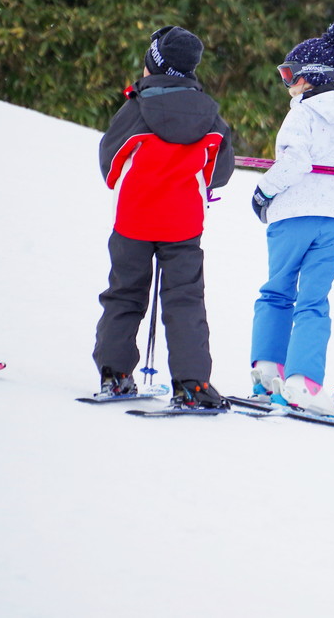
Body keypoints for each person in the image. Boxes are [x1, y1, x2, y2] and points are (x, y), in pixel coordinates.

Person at [94, 26, 235, 408]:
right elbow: (219, 172)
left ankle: (116, 375)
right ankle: (192, 384)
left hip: (133, 220)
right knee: (186, 299)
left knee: (124, 293)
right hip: (183, 224)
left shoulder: (135, 109)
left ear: (153, 64)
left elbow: (111, 161)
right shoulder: (211, 118)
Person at [247, 22, 334, 417]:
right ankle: (303, 382)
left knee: (277, 291)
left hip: (292, 215)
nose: (287, 83)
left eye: (289, 75)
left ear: (309, 78)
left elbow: (295, 161)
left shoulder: (302, 114)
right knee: (313, 300)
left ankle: (268, 371)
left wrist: (264, 193)